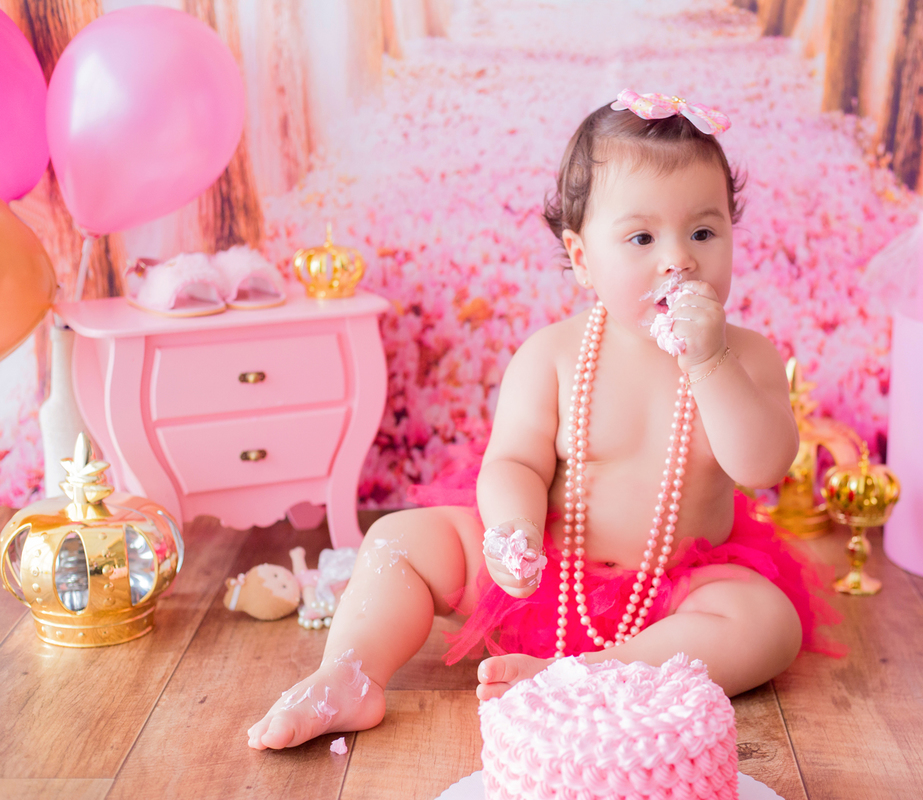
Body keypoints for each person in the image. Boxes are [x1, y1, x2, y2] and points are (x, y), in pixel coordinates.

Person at [247, 90, 839, 751]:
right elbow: (516, 462)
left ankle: (590, 675)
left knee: (766, 622)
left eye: (703, 231)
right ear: (583, 259)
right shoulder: (554, 356)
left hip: (676, 592)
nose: (679, 259)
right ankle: (349, 675)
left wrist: (710, 364)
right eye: (642, 237)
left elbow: (763, 466)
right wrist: (511, 530)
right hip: (547, 575)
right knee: (399, 541)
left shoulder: (747, 357)